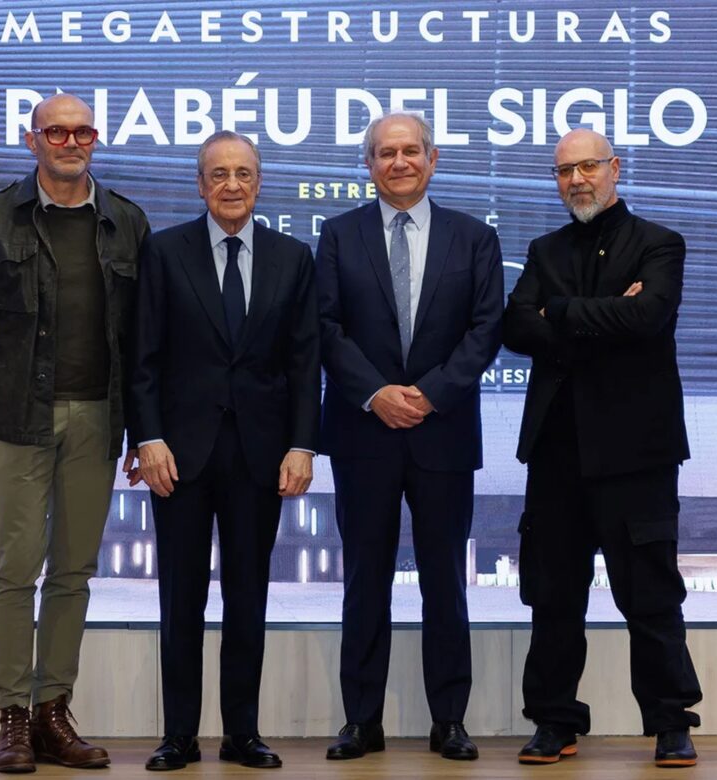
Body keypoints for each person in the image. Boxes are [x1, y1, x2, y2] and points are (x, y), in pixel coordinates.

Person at [0, 93, 149, 774]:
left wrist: (145, 435)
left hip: (98, 418)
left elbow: (143, 342)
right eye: (55, 131)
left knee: (72, 573)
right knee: (14, 568)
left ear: (95, 139)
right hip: (16, 420)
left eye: (81, 130)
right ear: (32, 141)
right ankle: (12, 718)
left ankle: (52, 713)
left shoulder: (127, 222)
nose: (70, 140)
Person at [503, 128, 701, 768]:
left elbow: (650, 318)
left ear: (616, 168)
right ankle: (553, 723)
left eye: (588, 166)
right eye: (564, 171)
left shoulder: (660, 244)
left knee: (650, 596)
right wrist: (600, 313)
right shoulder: (544, 248)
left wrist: (558, 313)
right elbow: (515, 327)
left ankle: (671, 723)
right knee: (554, 597)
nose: (577, 180)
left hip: (637, 455)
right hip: (557, 456)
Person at [316, 112, 505, 762]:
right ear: (368, 164)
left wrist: (429, 394)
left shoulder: (475, 238)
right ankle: (361, 721)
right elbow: (328, 328)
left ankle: (448, 720)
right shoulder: (338, 236)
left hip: (443, 431)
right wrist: (377, 394)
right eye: (384, 153)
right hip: (363, 433)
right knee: (363, 580)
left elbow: (486, 329)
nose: (398, 162)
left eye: (410, 151)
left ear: (433, 158)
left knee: (445, 582)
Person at [130, 130, 321, 771]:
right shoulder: (163, 252)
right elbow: (143, 358)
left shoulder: (293, 258)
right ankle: (178, 734)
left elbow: (303, 365)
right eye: (219, 174)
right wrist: (148, 437)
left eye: (243, 173)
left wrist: (302, 445)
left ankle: (242, 732)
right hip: (178, 457)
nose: (231, 185)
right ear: (200, 183)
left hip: (261, 457)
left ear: (259, 183)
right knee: (179, 598)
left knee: (249, 597)